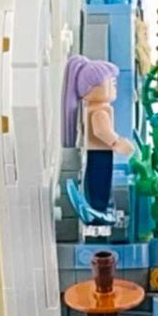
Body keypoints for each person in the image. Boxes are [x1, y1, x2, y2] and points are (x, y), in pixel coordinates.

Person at [64, 55, 135, 210]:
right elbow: (101, 131)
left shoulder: (94, 108)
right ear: (92, 88)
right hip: (100, 152)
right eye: (112, 83)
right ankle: (98, 206)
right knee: (101, 180)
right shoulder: (99, 112)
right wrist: (117, 142)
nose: (115, 86)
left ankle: (98, 205)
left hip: (96, 152)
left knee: (99, 179)